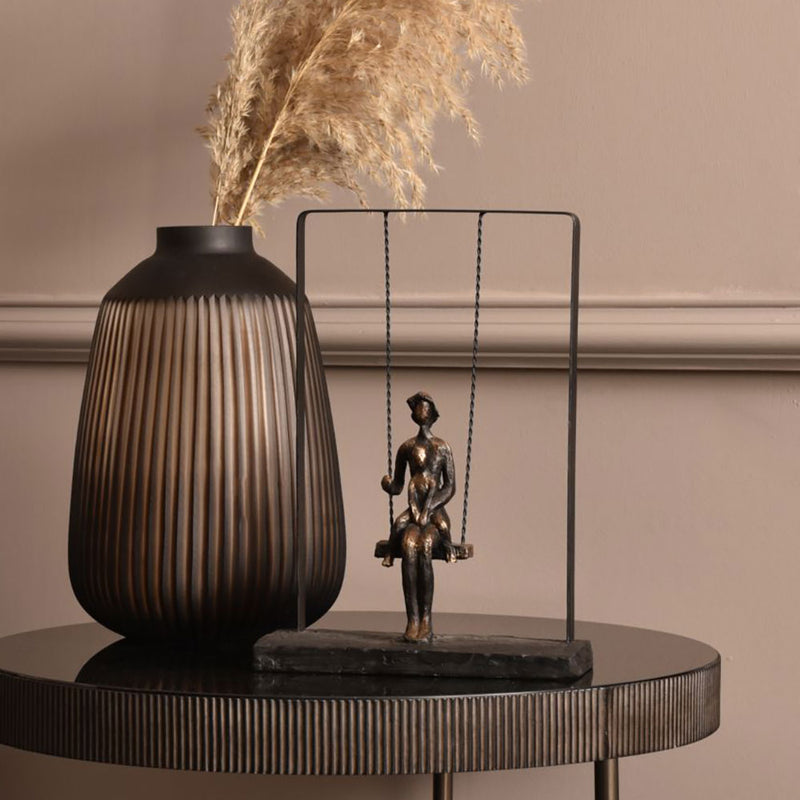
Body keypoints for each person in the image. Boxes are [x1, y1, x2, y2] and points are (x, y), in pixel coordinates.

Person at [381, 391, 456, 642]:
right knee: (408, 544)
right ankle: (412, 620)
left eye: (425, 407)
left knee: (425, 546)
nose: (421, 410)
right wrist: (388, 484)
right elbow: (399, 485)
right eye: (418, 407)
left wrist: (430, 507)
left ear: (433, 414)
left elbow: (450, 487)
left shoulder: (442, 447)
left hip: (434, 512)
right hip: (413, 513)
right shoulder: (407, 447)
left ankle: (426, 620)